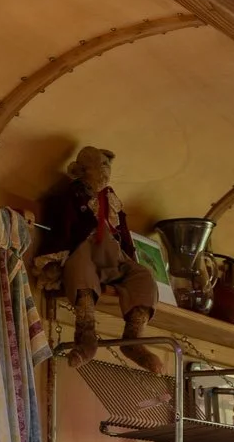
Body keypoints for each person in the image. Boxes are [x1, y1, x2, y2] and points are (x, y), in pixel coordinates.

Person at [40, 145, 162, 371]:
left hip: (113, 254)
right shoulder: (72, 196)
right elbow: (62, 228)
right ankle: (86, 338)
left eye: (107, 166)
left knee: (144, 278)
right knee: (80, 272)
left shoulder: (111, 198)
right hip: (85, 249)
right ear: (83, 171)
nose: (106, 171)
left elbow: (123, 233)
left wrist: (130, 257)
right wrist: (53, 261)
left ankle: (133, 340)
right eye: (100, 166)